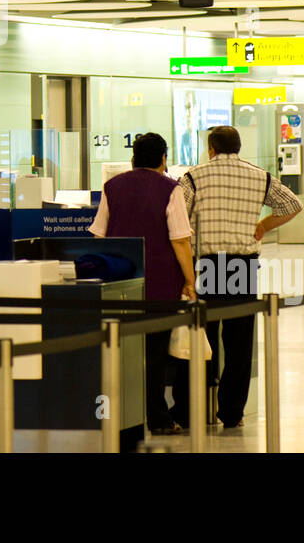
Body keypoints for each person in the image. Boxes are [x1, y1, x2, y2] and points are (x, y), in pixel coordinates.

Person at [172, 125, 301, 429]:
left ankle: (193, 410)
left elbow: (180, 219)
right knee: (240, 343)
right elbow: (293, 204)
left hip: (206, 266)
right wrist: (265, 225)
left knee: (201, 338)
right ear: (239, 148)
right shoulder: (259, 175)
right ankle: (232, 413)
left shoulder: (193, 176)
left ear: (211, 148)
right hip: (243, 266)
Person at [88, 132, 195, 436]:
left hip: (121, 282)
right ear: (163, 158)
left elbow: (99, 234)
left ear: (133, 158)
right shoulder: (170, 189)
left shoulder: (112, 186)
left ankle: (122, 417)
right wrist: (189, 280)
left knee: (123, 352)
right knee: (156, 354)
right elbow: (180, 240)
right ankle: (158, 417)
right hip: (161, 284)